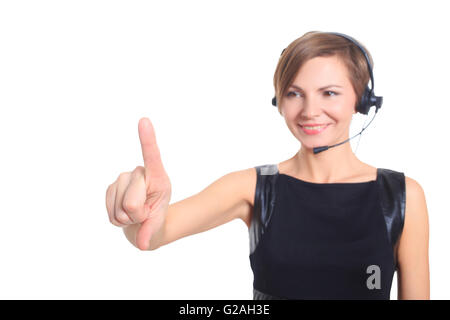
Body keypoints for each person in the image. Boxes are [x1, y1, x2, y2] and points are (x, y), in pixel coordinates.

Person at [105, 31, 430, 300]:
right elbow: (153, 234)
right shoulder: (252, 187)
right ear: (280, 101)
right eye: (294, 93)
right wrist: (138, 215)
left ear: (361, 100)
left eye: (329, 93)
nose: (310, 110)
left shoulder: (402, 196)